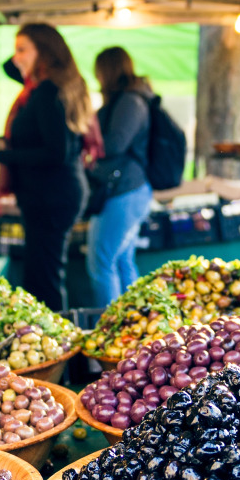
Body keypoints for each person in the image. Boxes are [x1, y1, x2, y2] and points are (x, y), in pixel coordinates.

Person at [0, 25, 100, 311]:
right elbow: (9, 67)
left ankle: (58, 347)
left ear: (43, 52)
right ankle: (56, 342)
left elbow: (56, 153)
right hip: (54, 194)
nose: (15, 58)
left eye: (22, 49)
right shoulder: (51, 86)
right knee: (45, 274)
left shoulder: (46, 93)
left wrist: (3, 156)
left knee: (44, 279)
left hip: (52, 196)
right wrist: (24, 56)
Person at [85, 47, 155, 305]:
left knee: (101, 264)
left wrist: (89, 139)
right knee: (123, 260)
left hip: (124, 190)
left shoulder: (130, 101)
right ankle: (133, 323)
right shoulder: (134, 98)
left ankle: (110, 328)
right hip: (131, 189)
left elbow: (116, 143)